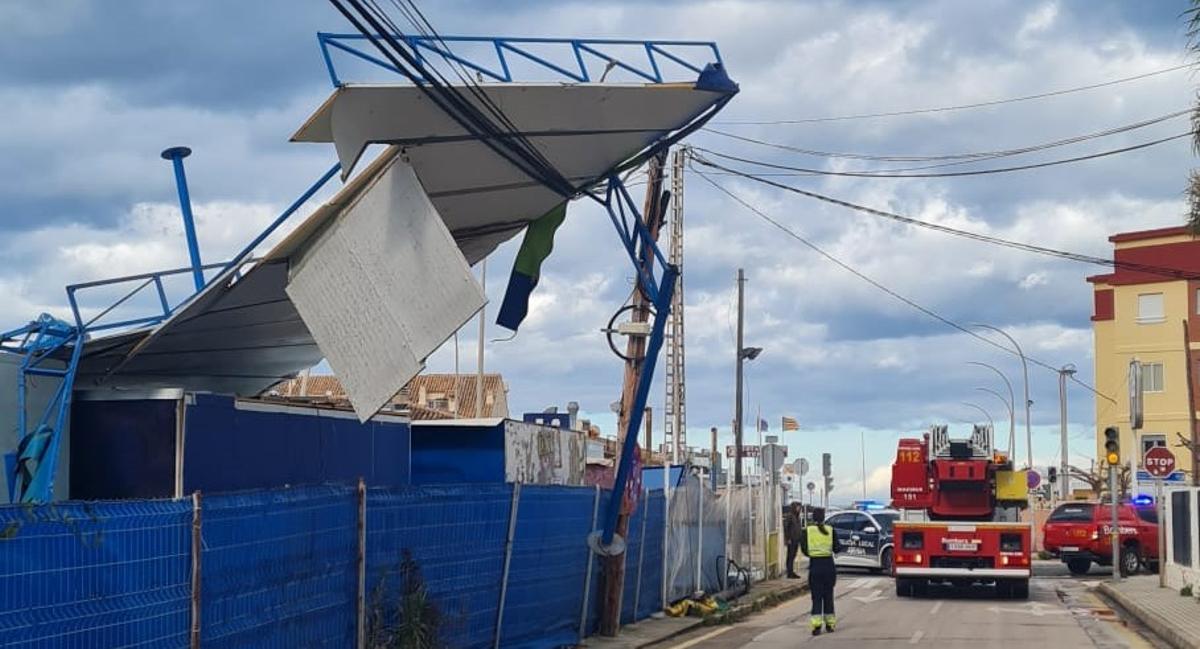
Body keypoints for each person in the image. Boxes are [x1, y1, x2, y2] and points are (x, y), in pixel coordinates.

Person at [799, 507, 843, 635]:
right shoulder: (830, 530)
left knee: (816, 597)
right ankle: (830, 625)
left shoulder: (807, 531)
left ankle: (816, 626)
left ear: (813, 518)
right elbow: (837, 548)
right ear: (824, 518)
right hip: (828, 566)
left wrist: (813, 553)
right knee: (828, 596)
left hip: (815, 566)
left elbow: (804, 549)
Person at [783, 502, 804, 578]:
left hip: (796, 539)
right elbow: (786, 528)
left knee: (793, 555)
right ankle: (789, 572)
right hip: (791, 539)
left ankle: (791, 571)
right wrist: (787, 538)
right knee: (790, 555)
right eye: (798, 507)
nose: (799, 509)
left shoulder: (797, 516)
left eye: (800, 507)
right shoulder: (790, 516)